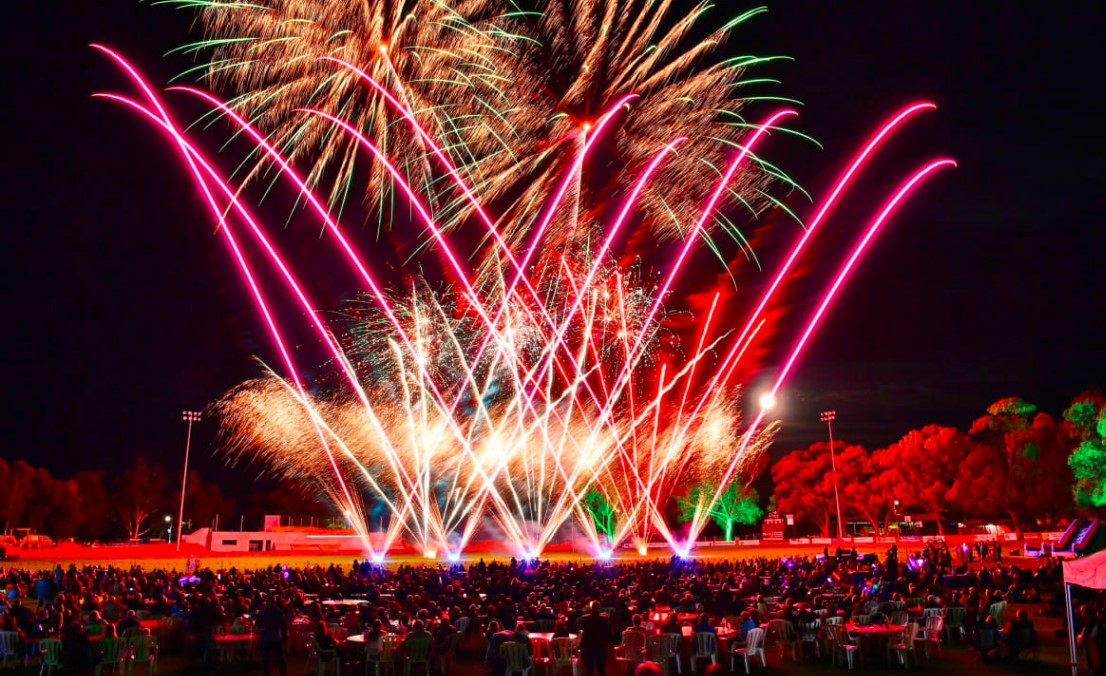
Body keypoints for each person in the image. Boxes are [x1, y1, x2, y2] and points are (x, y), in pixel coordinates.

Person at [256, 597, 288, 676]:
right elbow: (284, 624)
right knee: (280, 660)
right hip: (276, 637)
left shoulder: (262, 612)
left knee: (266, 661)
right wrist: (284, 637)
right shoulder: (279, 612)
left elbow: (258, 625)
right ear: (275, 602)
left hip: (266, 637)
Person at [580, 601, 611, 676]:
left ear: (591, 608)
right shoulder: (604, 619)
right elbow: (607, 633)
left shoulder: (585, 619)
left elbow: (583, 630)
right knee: (601, 670)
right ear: (599, 608)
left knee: (589, 670)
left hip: (589, 647)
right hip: (600, 646)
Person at [1079, 604, 1106, 676]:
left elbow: (1082, 641)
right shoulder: (1099, 623)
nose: (1081, 615)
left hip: (1097, 655)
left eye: (1082, 612)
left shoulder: (1091, 625)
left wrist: (1079, 637)